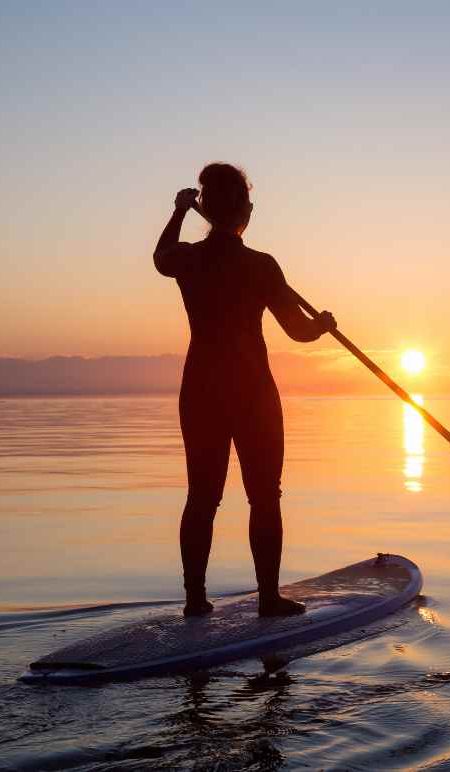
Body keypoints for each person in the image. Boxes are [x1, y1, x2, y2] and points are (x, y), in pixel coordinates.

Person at [153, 163, 336, 617]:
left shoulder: (190, 259)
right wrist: (323, 327)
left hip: (201, 390)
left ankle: (195, 600)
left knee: (201, 497)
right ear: (245, 211)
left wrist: (177, 212)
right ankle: (268, 597)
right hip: (253, 393)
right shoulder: (261, 266)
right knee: (264, 496)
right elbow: (297, 331)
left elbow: (161, 256)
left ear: (205, 209)